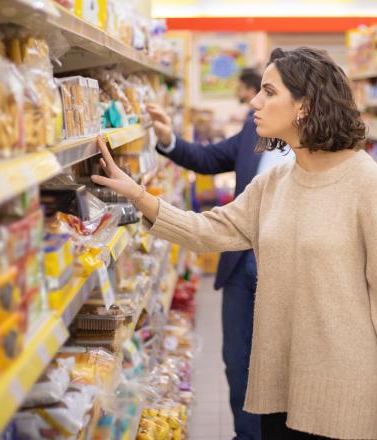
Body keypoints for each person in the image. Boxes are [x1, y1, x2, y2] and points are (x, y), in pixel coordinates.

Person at [92, 47, 377, 439]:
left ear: (304, 107)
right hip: (283, 386)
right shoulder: (275, 183)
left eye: (269, 92)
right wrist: (139, 196)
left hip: (349, 393)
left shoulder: (366, 184)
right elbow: (210, 231)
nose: (255, 102)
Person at [146, 67, 292, 440]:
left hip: (290, 273)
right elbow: (211, 159)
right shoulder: (253, 131)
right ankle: (246, 435)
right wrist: (169, 140)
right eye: (259, 90)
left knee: (285, 366)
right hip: (243, 261)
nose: (255, 102)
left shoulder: (327, 156)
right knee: (236, 361)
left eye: (269, 92)